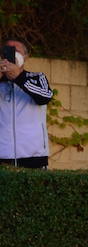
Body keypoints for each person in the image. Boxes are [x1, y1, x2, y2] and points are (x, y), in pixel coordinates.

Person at [0, 39, 55, 168]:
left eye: (17, 51)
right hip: (2, 155)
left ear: (26, 57)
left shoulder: (36, 77)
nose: (12, 55)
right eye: (8, 51)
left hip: (34, 155)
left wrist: (18, 77)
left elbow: (45, 97)